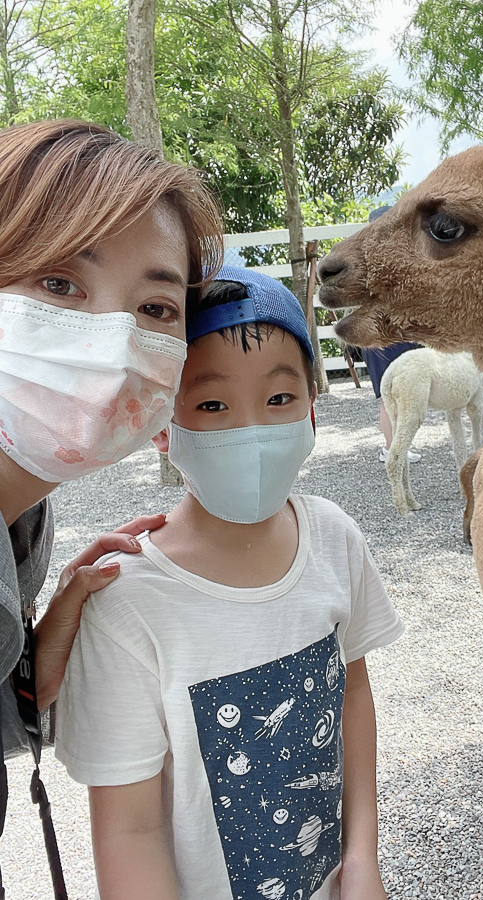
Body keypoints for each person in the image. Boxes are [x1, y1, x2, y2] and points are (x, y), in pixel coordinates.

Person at [55, 267, 404, 900]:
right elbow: (127, 831)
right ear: (162, 423)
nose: (252, 430)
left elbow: (353, 692)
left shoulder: (335, 539)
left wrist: (362, 859)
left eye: (279, 400)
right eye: (212, 405)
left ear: (313, 411)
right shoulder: (125, 603)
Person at [0, 118, 223, 890]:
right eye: (58, 284)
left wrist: (27, 671)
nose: (110, 341)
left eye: (156, 310)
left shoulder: (27, 517)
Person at [359, 206, 423, 464]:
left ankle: (394, 449)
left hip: (376, 335)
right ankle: (395, 449)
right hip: (394, 333)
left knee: (388, 397)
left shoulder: (361, 260)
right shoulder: (408, 256)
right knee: (398, 396)